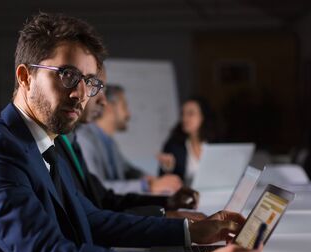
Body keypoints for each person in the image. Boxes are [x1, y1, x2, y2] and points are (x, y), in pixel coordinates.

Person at [0, 12, 262, 252]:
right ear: (25, 77)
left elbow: (92, 220)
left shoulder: (45, 146)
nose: (81, 94)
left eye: (89, 82)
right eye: (67, 75)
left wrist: (190, 231)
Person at [55, 68, 205, 220]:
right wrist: (150, 187)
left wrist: (154, 184)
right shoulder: (82, 139)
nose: (103, 101)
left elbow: (124, 174)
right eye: (124, 105)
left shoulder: (106, 141)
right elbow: (100, 195)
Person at [76, 84, 183, 195]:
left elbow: (128, 170)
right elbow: (97, 187)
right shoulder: (84, 139)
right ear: (109, 107)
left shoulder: (109, 142)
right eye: (124, 106)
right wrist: (147, 185)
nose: (128, 114)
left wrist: (151, 180)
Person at [158, 97, 215, 184]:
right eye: (182, 114)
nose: (184, 119)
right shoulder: (173, 145)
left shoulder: (216, 143)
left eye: (190, 114)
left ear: (203, 116)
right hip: (187, 195)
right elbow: (164, 182)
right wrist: (167, 168)